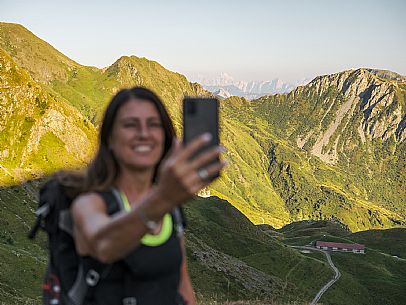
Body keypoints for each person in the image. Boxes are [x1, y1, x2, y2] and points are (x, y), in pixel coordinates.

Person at [70, 87, 226, 305]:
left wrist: (166, 200)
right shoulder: (90, 203)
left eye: (153, 124)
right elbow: (104, 246)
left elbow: (182, 285)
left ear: (165, 137)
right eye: (130, 125)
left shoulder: (171, 210)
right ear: (111, 139)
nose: (143, 133)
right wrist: (163, 197)